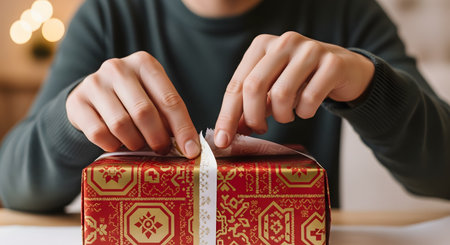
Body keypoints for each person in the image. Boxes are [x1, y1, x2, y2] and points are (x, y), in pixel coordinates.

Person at [0, 0, 449, 212]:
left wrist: (370, 84)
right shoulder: (108, 15)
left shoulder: (346, 14)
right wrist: (71, 119)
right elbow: (11, 185)